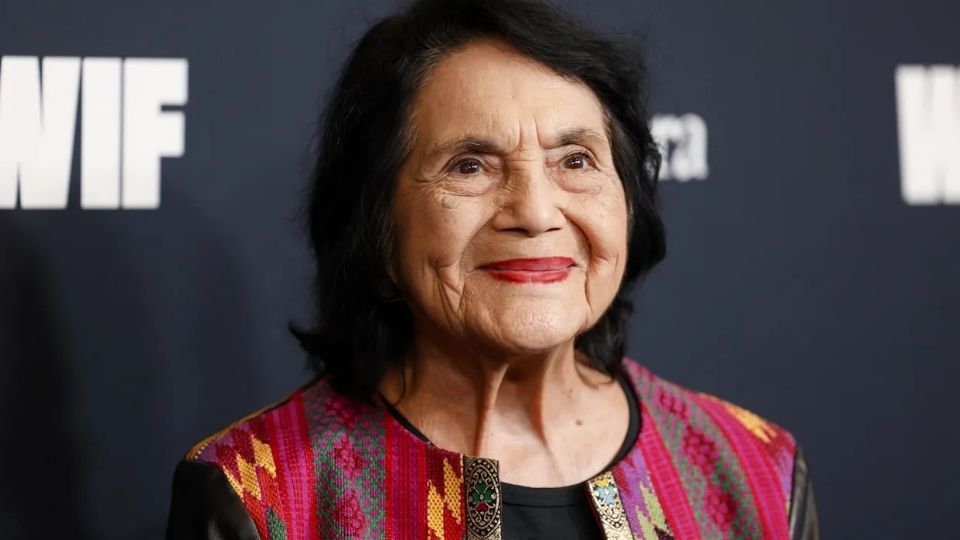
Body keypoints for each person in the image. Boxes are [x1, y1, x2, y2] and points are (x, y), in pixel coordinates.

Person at [165, 0, 819, 538]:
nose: (535, 213)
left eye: (575, 161)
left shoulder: (754, 471)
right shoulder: (259, 493)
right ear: (377, 227)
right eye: (470, 166)